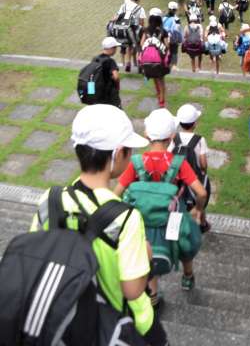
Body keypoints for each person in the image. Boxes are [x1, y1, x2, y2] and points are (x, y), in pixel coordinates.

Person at [31, 104, 169, 345]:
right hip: (117, 325)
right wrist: (146, 257)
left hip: (64, 319)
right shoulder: (125, 217)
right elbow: (132, 290)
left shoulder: (50, 201)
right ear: (118, 153)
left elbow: (37, 255)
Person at [114, 108, 207, 304]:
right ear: (172, 136)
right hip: (173, 217)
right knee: (185, 242)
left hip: (143, 219)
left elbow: (116, 194)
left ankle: (153, 295)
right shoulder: (178, 163)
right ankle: (187, 277)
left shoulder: (136, 163)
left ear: (146, 135)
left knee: (149, 250)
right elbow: (201, 192)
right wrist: (197, 209)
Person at [169, 104, 211, 233]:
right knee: (199, 201)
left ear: (180, 123)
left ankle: (175, 230)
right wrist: (203, 172)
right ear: (195, 123)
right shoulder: (200, 140)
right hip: (194, 178)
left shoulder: (174, 138)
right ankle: (202, 223)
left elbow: (169, 156)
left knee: (178, 202)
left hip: (177, 179)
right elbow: (203, 163)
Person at [139, 9, 170, 107]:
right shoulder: (163, 31)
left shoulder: (145, 30)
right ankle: (161, 101)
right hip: (159, 60)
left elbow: (142, 44)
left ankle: (158, 93)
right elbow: (167, 45)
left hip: (148, 60)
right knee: (161, 80)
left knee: (153, 75)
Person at [113, 0, 146, 73]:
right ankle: (139, 63)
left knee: (128, 45)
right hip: (134, 30)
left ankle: (128, 63)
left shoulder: (123, 6)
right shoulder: (140, 8)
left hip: (124, 30)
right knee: (139, 47)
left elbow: (117, 17)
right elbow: (141, 23)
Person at [97, 37, 122, 107]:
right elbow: (116, 77)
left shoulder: (95, 59)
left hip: (98, 92)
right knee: (116, 110)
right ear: (111, 48)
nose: (116, 50)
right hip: (109, 93)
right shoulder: (110, 61)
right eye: (115, 47)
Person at [163, 2, 183, 71]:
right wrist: (180, 39)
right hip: (173, 38)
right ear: (176, 10)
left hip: (165, 37)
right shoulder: (176, 19)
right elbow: (178, 30)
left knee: (165, 51)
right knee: (174, 51)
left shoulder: (163, 18)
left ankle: (166, 64)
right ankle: (174, 66)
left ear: (168, 9)